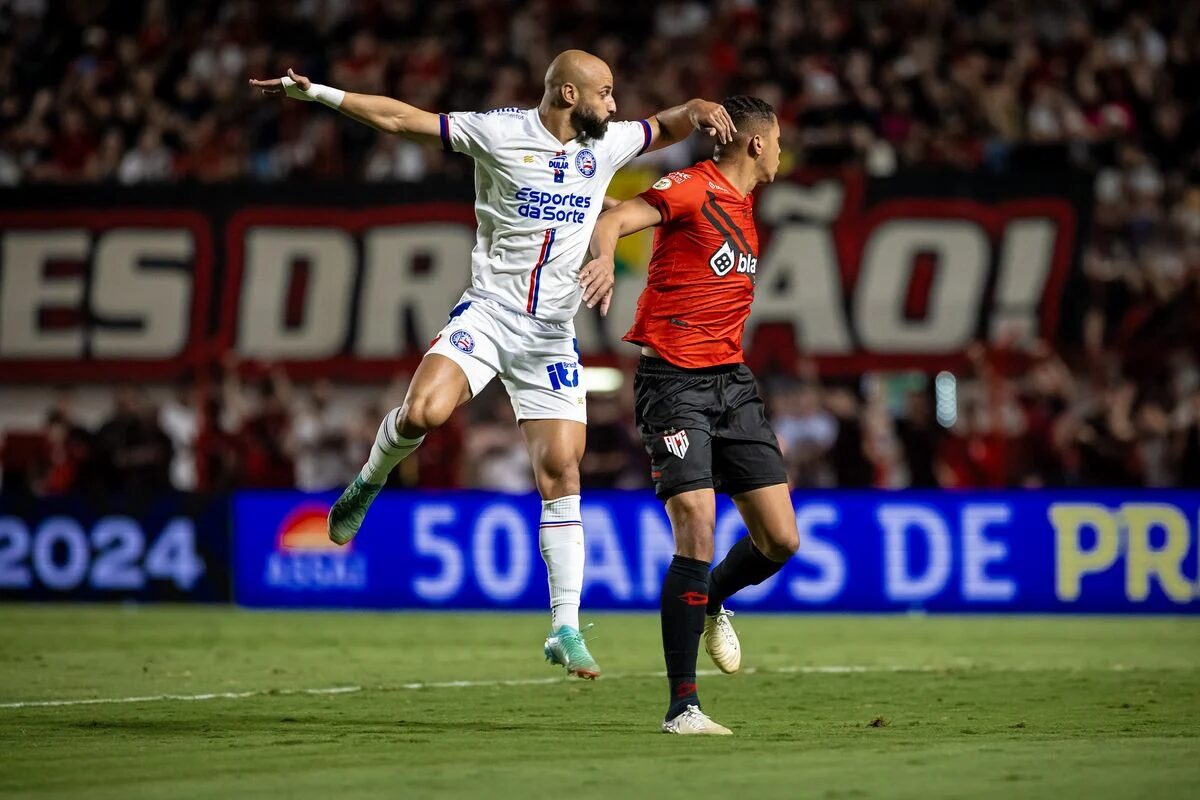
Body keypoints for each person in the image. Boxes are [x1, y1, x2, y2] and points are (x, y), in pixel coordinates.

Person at [249, 51, 735, 679]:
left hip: (551, 335)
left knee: (563, 469)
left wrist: (697, 109)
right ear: (568, 94)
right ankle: (368, 481)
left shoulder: (606, 144)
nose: (615, 106)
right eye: (605, 93)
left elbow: (664, 126)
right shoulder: (499, 132)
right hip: (488, 314)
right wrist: (318, 94)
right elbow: (402, 120)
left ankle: (564, 627)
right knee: (423, 412)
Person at [585, 96, 799, 734]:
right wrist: (603, 255)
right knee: (697, 529)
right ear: (756, 143)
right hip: (674, 383)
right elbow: (618, 216)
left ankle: (712, 602)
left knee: (781, 540)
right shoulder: (692, 186)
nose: (781, 150)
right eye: (778, 139)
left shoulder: (744, 204)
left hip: (733, 383)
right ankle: (683, 707)